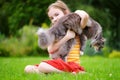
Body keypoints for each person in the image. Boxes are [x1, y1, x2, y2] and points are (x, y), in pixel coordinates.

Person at [24, 0, 89, 74]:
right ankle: (56, 72)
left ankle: (67, 73)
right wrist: (66, 37)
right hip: (57, 64)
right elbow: (50, 50)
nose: (54, 19)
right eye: (51, 18)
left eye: (57, 14)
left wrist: (78, 12)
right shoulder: (54, 31)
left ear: (65, 12)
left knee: (42, 66)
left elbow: (85, 17)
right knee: (28, 68)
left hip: (71, 65)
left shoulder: (75, 26)